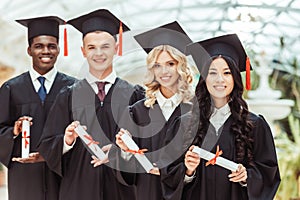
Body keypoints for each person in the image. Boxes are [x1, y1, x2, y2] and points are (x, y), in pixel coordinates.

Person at [37, 9, 144, 200]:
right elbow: (47, 144)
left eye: (105, 46)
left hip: (122, 191)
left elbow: (146, 146)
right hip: (78, 190)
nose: (99, 53)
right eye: (92, 47)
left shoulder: (134, 95)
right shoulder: (68, 95)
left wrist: (125, 152)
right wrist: (66, 141)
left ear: (116, 48)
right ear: (83, 51)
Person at [160, 34, 281, 200]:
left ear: (235, 78)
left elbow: (269, 172)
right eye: (212, 73)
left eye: (227, 73)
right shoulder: (184, 124)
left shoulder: (254, 124)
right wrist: (187, 171)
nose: (220, 80)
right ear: (204, 78)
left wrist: (247, 177)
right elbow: (167, 173)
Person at [114, 21, 195, 200]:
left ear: (181, 66)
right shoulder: (136, 112)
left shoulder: (197, 112)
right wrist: (125, 152)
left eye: (170, 63)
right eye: (157, 65)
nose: (163, 71)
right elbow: (126, 175)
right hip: (146, 193)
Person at [0, 16, 77, 200]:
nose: (46, 51)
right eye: (39, 46)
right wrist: (14, 131)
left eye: (51, 46)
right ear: (29, 50)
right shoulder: (11, 89)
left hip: (62, 176)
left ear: (58, 49)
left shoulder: (74, 88)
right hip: (25, 177)